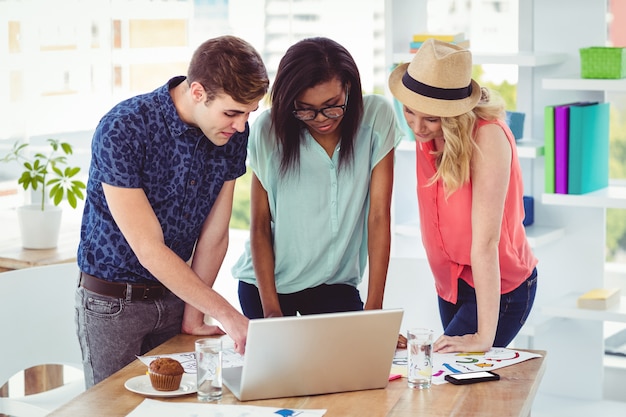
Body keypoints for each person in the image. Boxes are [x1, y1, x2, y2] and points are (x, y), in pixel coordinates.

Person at [75, 35, 269, 387]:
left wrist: (194, 314)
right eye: (232, 112)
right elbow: (149, 248)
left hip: (178, 301)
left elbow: (215, 235)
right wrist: (227, 314)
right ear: (197, 92)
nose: (241, 125)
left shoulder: (233, 135)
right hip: (113, 306)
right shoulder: (123, 128)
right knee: (113, 411)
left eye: (248, 113)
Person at [231, 37, 404, 321]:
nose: (321, 118)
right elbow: (260, 225)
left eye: (332, 105)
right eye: (305, 108)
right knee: (283, 366)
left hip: (335, 284)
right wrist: (272, 311)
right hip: (268, 287)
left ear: (349, 87)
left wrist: (374, 310)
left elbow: (378, 217)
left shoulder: (376, 118)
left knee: (357, 364)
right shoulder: (268, 130)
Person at [388, 38, 538, 353]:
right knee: (459, 384)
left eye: (431, 118)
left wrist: (484, 337)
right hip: (450, 287)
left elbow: (485, 244)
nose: (418, 126)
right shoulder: (426, 131)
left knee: (444, 376)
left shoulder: (488, 137)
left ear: (455, 113)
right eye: (409, 112)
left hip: (500, 290)